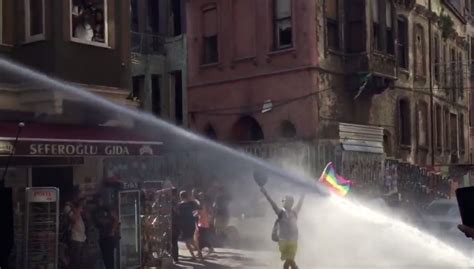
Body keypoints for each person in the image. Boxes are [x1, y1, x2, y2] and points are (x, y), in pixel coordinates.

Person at [260, 186, 305, 269]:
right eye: (287, 201)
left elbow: (300, 203)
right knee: (289, 261)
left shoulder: (294, 212)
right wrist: (265, 193)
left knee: (289, 261)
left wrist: (304, 193)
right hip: (283, 241)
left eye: (290, 201)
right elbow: (272, 203)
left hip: (293, 241)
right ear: (284, 202)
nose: (289, 203)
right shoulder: (280, 212)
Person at [94, 196, 119, 269]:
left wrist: (112, 230)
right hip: (103, 237)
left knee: (109, 259)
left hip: (108, 237)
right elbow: (97, 222)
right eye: (96, 201)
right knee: (106, 258)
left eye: (99, 200)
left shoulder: (107, 209)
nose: (98, 202)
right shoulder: (97, 211)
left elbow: (115, 220)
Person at [178, 190, 203, 261]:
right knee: (191, 239)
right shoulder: (191, 203)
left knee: (187, 241)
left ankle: (194, 256)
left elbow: (179, 215)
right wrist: (194, 214)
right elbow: (200, 208)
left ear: (181, 197)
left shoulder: (180, 205)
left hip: (185, 225)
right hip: (191, 223)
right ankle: (198, 252)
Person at [67, 199, 87, 269]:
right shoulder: (70, 212)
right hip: (76, 240)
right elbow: (74, 220)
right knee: (75, 261)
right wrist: (77, 209)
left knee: (80, 261)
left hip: (81, 240)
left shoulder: (77, 212)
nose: (82, 210)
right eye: (81, 208)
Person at [171, 188, 180, 263]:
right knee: (174, 242)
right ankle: (175, 257)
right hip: (175, 223)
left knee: (173, 241)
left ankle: (175, 258)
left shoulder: (173, 201)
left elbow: (176, 211)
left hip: (174, 224)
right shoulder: (177, 200)